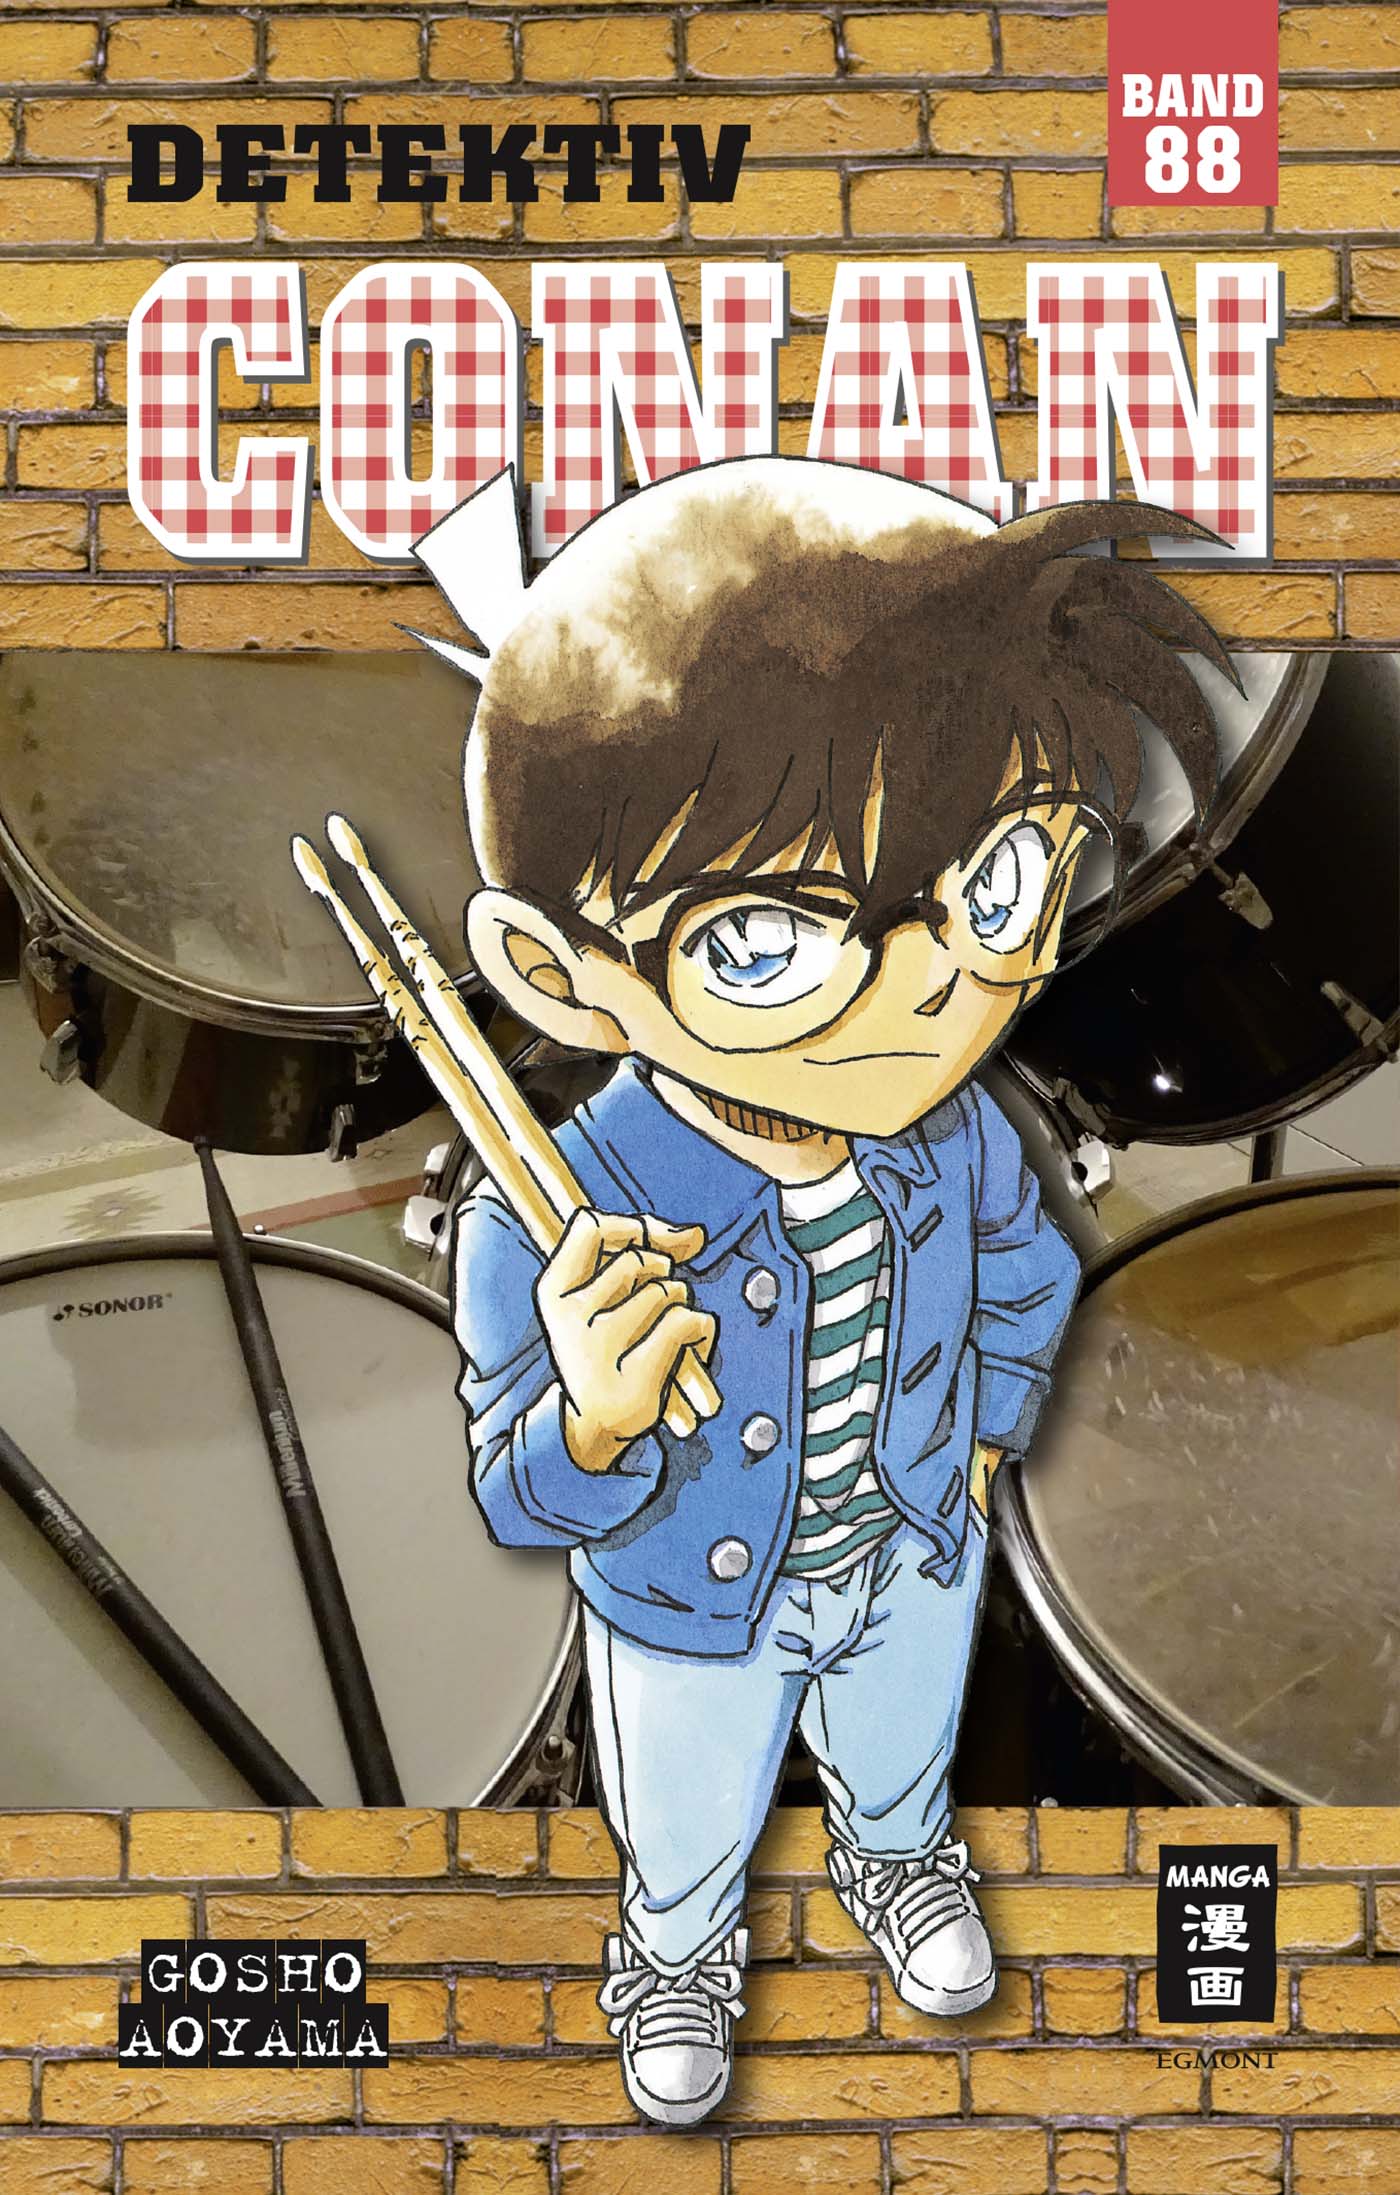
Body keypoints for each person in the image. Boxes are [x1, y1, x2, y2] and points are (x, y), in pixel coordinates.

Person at [446, 458, 1229, 2127]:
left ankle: (897, 1860)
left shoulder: (954, 1134)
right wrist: (595, 1421)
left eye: (998, 884)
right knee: (686, 1823)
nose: (932, 984)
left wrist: (989, 1430)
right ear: (560, 978)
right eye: (768, 940)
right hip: (687, 1606)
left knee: (901, 1756)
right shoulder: (546, 1219)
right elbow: (518, 1496)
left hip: (909, 1541)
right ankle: (677, 1955)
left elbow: (1021, 1268)